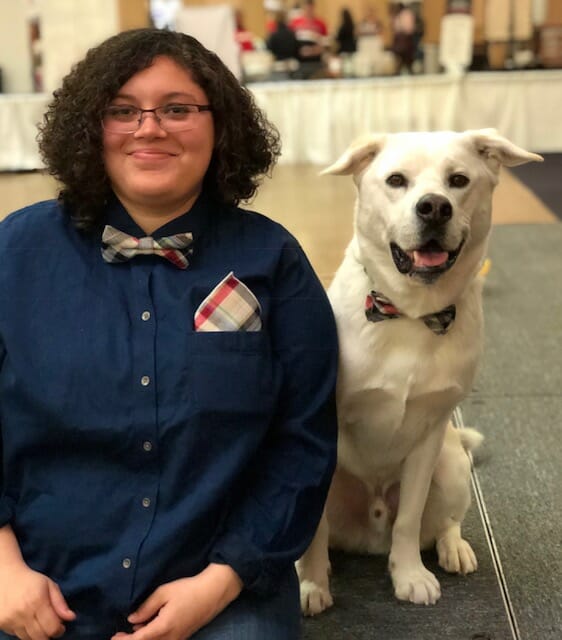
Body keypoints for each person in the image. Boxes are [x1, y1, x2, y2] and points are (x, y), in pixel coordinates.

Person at [0, 28, 338, 640]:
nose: (148, 128)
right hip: (38, 577)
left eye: (177, 109)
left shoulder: (273, 259)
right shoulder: (15, 253)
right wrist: (4, 572)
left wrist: (222, 582)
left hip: (219, 576)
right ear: (88, 127)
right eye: (122, 111)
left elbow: (303, 442)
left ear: (221, 125)